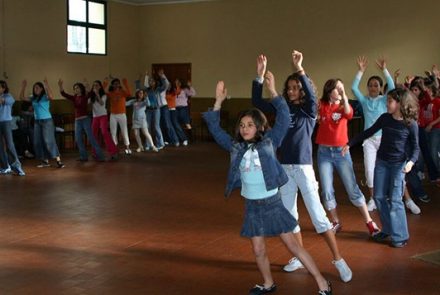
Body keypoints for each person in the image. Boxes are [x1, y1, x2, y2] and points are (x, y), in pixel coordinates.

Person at [203, 76, 332, 295]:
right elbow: (216, 131)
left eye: (250, 125)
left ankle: (321, 281)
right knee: (258, 249)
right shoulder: (236, 147)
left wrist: (273, 92)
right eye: (242, 125)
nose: (245, 129)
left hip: (273, 204)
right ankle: (268, 283)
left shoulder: (269, 143)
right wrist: (217, 103)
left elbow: (283, 119)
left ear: (260, 127)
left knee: (293, 245)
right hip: (252, 206)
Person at [252, 52, 351, 282]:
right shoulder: (283, 109)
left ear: (303, 91)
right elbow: (257, 103)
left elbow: (312, 94)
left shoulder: (309, 110)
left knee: (318, 217)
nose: (291, 91)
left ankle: (338, 259)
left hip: (304, 168)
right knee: (289, 217)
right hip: (284, 169)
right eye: (289, 88)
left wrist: (300, 68)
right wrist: (259, 77)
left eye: (296, 87)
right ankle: (298, 257)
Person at [343, 87, 419, 248]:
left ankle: (400, 235)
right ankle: (388, 229)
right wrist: (349, 143)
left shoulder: (410, 124)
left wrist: (410, 162)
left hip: (399, 165)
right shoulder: (385, 118)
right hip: (382, 163)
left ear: (400, 103)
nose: (387, 104)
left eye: (390, 101)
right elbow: (369, 131)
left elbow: (416, 148)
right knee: (378, 197)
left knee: (396, 199)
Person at [315, 78, 380, 236]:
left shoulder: (344, 106)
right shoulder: (321, 105)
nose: (340, 91)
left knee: (352, 188)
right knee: (327, 189)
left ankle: (369, 222)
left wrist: (344, 95)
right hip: (323, 152)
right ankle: (335, 221)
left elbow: (349, 114)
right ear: (330, 90)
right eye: (337, 88)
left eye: (342, 88)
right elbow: (315, 112)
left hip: (341, 152)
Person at [351, 56, 395, 211]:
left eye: (376, 85)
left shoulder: (384, 100)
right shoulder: (364, 101)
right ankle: (373, 198)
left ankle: (387, 195)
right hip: (369, 141)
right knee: (370, 170)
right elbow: (354, 88)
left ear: (380, 88)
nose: (372, 88)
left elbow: (392, 85)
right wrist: (361, 71)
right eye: (370, 85)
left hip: (384, 139)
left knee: (387, 169)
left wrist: (384, 70)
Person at [19, 79, 64, 168]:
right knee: (38, 142)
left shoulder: (45, 96)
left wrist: (46, 85)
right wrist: (23, 86)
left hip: (47, 121)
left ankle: (58, 161)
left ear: (42, 89)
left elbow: (51, 96)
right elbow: (21, 98)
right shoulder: (33, 97)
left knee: (48, 141)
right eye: (35, 88)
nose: (36, 89)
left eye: (38, 88)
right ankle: (44, 161)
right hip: (37, 122)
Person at [58, 79, 105, 162]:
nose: (76, 89)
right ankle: (83, 157)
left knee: (91, 138)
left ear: (81, 89)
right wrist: (60, 86)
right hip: (77, 121)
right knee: (78, 139)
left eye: (78, 88)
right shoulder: (74, 98)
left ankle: (100, 156)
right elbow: (63, 94)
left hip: (85, 119)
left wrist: (87, 85)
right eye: (75, 88)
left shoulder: (85, 96)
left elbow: (91, 92)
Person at [88, 80, 119, 160]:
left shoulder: (104, 95)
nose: (95, 87)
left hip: (103, 116)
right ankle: (95, 152)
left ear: (100, 87)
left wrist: (97, 94)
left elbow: (101, 103)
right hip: (95, 117)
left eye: (97, 85)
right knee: (93, 134)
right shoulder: (91, 96)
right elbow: (87, 103)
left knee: (104, 132)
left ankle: (113, 151)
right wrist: (88, 91)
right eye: (94, 85)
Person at [0, 80, 25, 176]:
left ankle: (17, 166)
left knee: (9, 144)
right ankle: (5, 166)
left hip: (6, 122)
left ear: (4, 88)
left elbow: (2, 101)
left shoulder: (9, 97)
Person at [104, 77, 131, 155]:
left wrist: (125, 83)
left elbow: (129, 94)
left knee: (124, 131)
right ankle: (114, 148)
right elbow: (102, 91)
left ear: (119, 84)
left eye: (117, 83)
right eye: (114, 84)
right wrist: (105, 83)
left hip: (122, 114)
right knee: (113, 132)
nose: (116, 85)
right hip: (113, 115)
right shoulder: (110, 93)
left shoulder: (123, 92)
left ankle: (127, 148)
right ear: (112, 85)